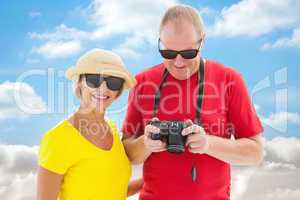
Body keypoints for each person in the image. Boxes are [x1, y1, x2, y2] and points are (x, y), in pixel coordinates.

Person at [122, 5, 264, 200]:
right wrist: (146, 143)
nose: (179, 62)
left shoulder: (229, 79)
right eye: (168, 53)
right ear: (159, 43)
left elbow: (255, 153)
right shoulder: (142, 82)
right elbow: (128, 155)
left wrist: (208, 144)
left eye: (188, 53)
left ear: (202, 42)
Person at [37, 49, 143, 200]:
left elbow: (109, 190)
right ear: (80, 83)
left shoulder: (112, 130)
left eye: (113, 82)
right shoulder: (58, 139)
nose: (103, 89)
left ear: (118, 91)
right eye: (94, 80)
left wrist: (152, 180)